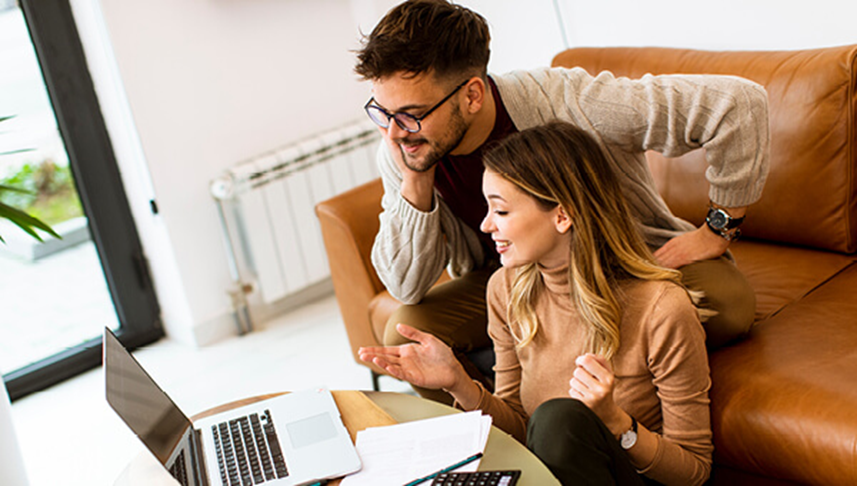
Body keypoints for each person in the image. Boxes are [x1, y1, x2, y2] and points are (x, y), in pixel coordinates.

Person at [354, 0, 768, 402]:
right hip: (513, 285)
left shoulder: (569, 100)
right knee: (406, 334)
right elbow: (404, 285)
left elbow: (739, 103)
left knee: (728, 303)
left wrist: (718, 229)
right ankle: (509, 431)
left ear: (473, 95)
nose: (393, 132)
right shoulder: (406, 149)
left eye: (410, 114)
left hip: (621, 267)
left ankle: (553, 372)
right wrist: (415, 180)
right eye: (382, 113)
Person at [359, 121, 713, 485]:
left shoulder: (662, 308)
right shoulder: (507, 289)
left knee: (560, 418)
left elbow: (695, 470)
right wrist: (458, 382)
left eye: (501, 211)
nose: (485, 225)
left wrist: (616, 422)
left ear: (562, 215)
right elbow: (521, 429)